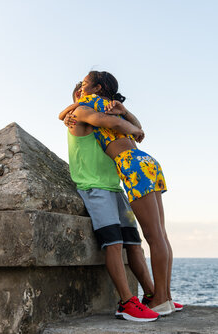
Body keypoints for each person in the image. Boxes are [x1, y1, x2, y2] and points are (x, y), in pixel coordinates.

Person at [60, 71, 182, 315]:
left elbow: (117, 124)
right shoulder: (108, 107)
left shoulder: (92, 109)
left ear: (96, 88)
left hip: (131, 167)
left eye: (84, 86)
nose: (80, 91)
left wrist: (131, 127)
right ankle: (162, 297)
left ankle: (158, 298)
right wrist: (131, 122)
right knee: (160, 236)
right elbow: (66, 114)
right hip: (146, 163)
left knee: (153, 237)